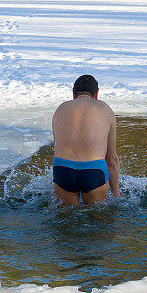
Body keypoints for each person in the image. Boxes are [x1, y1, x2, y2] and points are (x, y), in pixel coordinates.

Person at [51, 75, 121, 205]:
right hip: (94, 171)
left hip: (63, 170)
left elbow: (57, 151)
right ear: (97, 94)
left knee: (65, 221)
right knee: (98, 219)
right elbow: (111, 159)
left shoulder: (60, 109)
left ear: (73, 94)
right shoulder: (105, 109)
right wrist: (116, 193)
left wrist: (58, 182)